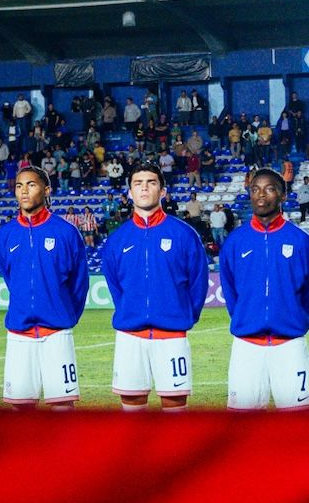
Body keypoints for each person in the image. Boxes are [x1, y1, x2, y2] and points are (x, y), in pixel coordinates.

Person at [100, 162, 209, 411]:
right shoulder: (118, 239)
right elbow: (116, 285)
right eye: (138, 183)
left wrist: (183, 316)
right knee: (132, 402)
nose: (144, 188)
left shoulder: (184, 234)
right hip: (130, 336)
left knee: (174, 403)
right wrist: (131, 311)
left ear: (162, 191)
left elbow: (198, 282)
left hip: (171, 336)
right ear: (129, 192)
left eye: (151, 182)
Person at [0, 168, 88, 409]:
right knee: (20, 407)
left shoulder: (66, 232)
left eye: (31, 185)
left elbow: (79, 283)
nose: (24, 190)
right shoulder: (5, 234)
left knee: (62, 405)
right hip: (19, 333)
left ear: (46, 190)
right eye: (19, 185)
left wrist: (62, 315)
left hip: (56, 334)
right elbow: (9, 276)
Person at [220, 168, 309, 409]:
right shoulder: (235, 241)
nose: (261, 195)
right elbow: (230, 290)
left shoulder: (301, 242)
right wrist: (247, 318)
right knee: (242, 427)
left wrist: (296, 318)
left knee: (298, 425)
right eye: (255, 189)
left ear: (282, 196)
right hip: (246, 346)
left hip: (290, 345)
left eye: (269, 189)